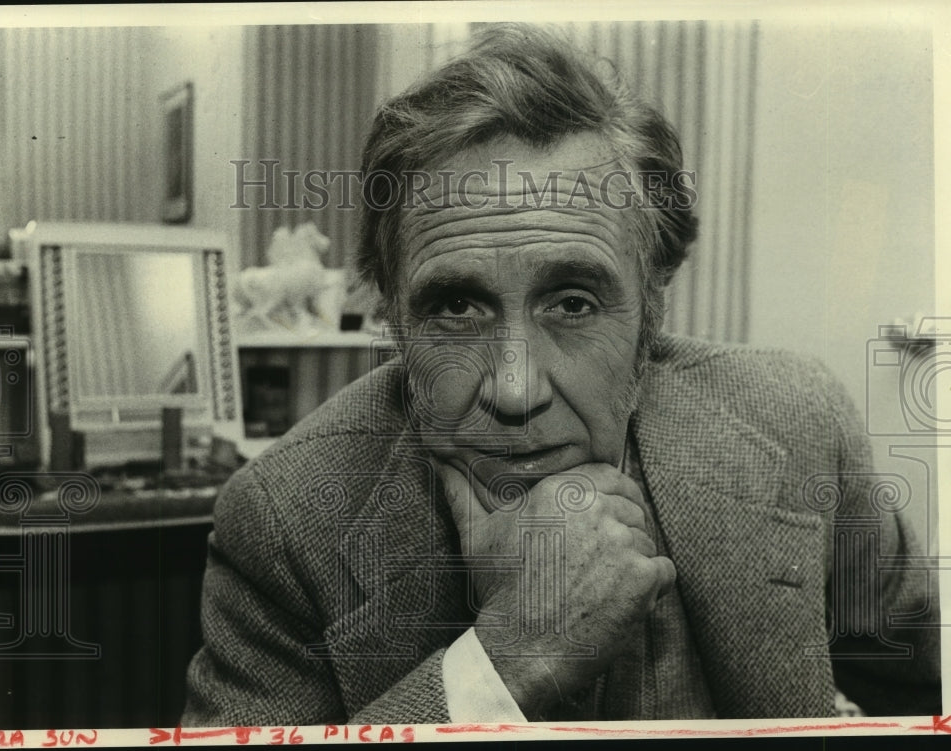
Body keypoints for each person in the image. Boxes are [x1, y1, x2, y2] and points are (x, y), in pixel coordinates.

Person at [181, 23, 941, 724]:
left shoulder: (796, 421)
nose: (515, 391)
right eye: (456, 308)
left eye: (573, 303)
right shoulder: (285, 520)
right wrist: (513, 657)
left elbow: (927, 685)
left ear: (652, 312)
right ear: (392, 321)